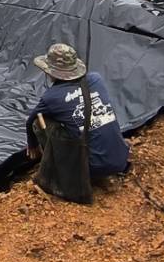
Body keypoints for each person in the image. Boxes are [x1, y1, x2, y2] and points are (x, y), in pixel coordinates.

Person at [25, 43, 130, 177]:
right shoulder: (96, 79)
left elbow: (30, 121)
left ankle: (59, 170)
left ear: (50, 71)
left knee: (40, 122)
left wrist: (32, 144)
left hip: (92, 169)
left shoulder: (51, 97)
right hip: (120, 159)